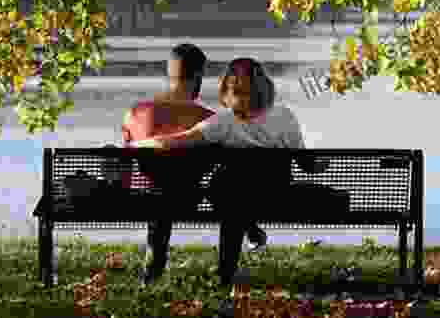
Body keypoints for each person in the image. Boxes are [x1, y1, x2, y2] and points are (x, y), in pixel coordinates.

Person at [146, 57, 306, 289]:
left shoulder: (223, 122)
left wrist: (141, 144)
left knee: (230, 196)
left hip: (229, 199)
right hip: (275, 197)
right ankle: (244, 242)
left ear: (226, 89)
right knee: (234, 197)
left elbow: (175, 142)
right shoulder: (285, 116)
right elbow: (305, 163)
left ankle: (225, 276)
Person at [120, 44, 267, 287]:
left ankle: (154, 265)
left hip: (145, 199)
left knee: (161, 191)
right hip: (190, 198)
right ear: (198, 75)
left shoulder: (135, 113)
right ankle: (227, 273)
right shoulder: (209, 120)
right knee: (232, 188)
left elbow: (125, 164)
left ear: (169, 74)